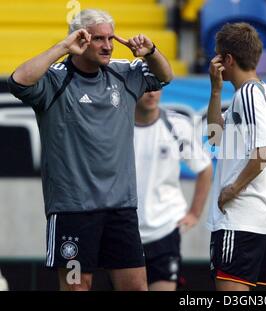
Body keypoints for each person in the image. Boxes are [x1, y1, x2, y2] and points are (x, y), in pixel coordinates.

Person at [7, 9, 173, 291]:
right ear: (80, 40)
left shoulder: (124, 74)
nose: (108, 45)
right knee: (76, 287)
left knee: (136, 286)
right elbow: (18, 80)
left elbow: (165, 76)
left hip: (121, 209)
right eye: (98, 38)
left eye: (110, 38)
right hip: (73, 210)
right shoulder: (55, 80)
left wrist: (151, 51)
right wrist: (62, 47)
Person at [206, 22, 266, 291]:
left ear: (228, 59)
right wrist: (215, 90)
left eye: (217, 55)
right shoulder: (256, 93)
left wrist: (233, 189)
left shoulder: (249, 94)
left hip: (240, 220)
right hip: (256, 222)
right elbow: (215, 137)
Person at [134, 89, 213, 291]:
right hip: (126, 233)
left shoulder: (177, 126)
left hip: (165, 229)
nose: (151, 93)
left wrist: (194, 213)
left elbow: (204, 168)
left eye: (156, 86)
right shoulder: (117, 125)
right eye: (145, 88)